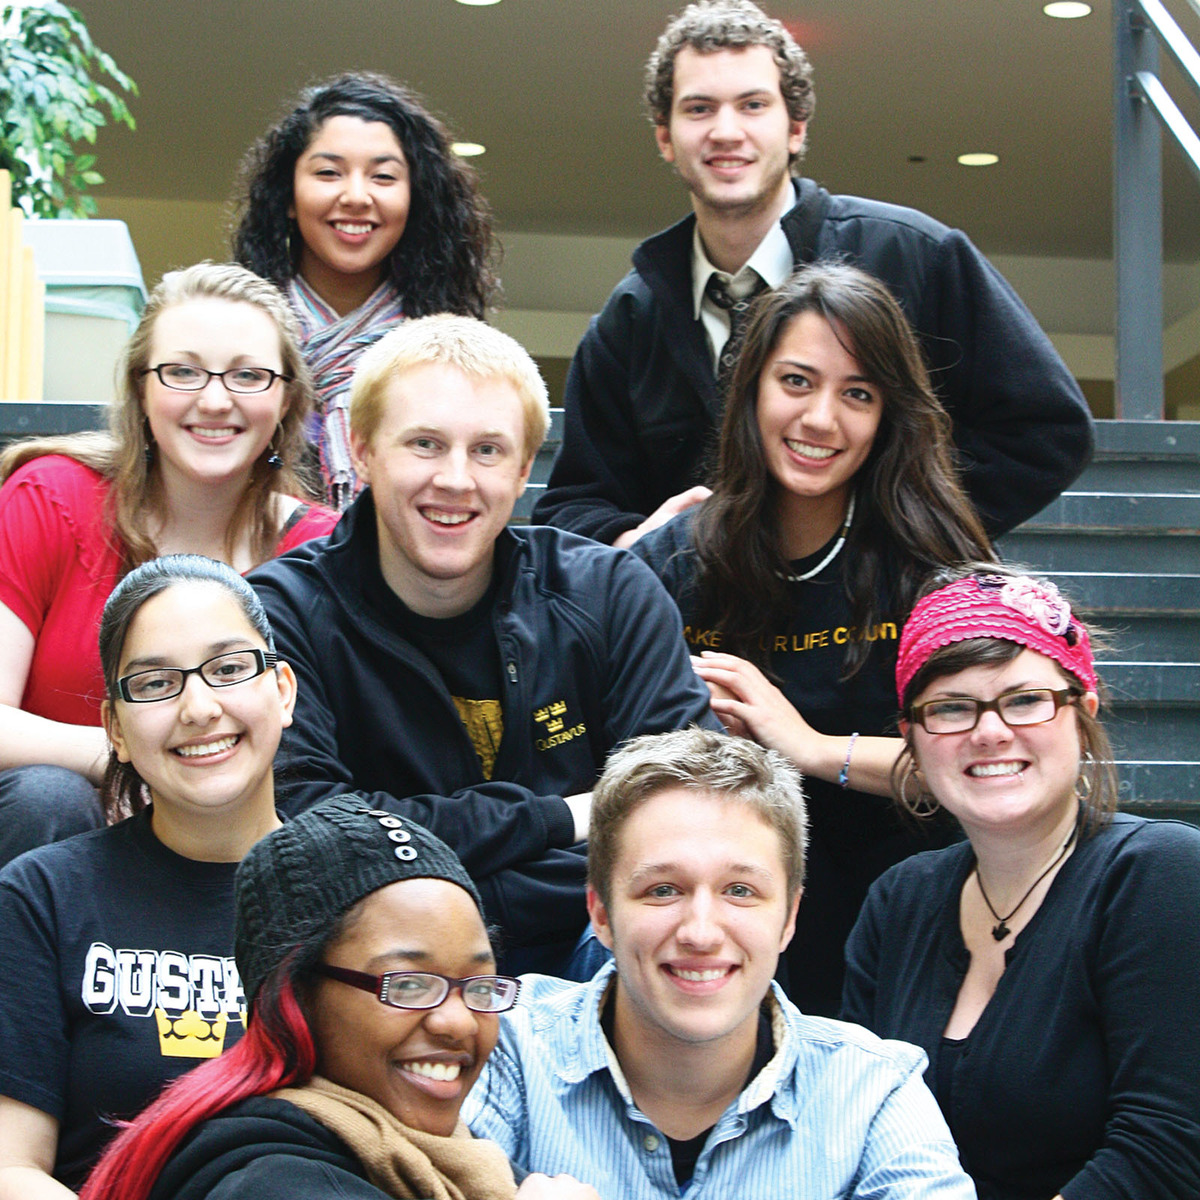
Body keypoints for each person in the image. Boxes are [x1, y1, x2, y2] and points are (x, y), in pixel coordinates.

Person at [250, 314, 719, 978]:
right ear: (362, 449)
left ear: (527, 466)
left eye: (488, 451)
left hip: (584, 948)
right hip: (371, 963)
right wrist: (561, 819)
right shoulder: (281, 612)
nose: (456, 480)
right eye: (425, 444)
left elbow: (682, 810)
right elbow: (310, 833)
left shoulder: (610, 592)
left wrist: (461, 878)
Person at [532, 0, 1093, 547]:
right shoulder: (630, 320)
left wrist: (886, 539)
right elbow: (574, 506)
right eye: (699, 108)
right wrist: (639, 543)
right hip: (700, 628)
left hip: (884, 624)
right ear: (665, 137)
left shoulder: (915, 255)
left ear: (796, 128)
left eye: (753, 105)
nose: (726, 132)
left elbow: (1045, 433)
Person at [632, 262, 994, 1015]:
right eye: (796, 381)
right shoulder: (671, 560)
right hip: (716, 927)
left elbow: (988, 764)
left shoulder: (934, 571)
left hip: (899, 916)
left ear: (888, 415)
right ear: (752, 390)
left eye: (857, 393)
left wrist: (809, 748)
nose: (821, 419)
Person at [464, 727, 976, 1199]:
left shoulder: (872, 1092)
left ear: (790, 917)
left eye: (740, 891)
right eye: (662, 890)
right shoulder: (502, 1043)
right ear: (600, 913)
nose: (701, 932)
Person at [841, 566, 1200, 1200]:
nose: (989, 730)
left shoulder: (1159, 874)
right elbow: (849, 1123)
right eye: (951, 708)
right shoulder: (898, 899)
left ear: (1083, 712)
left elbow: (1166, 1150)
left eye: (1025, 700)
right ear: (912, 740)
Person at [80, 796, 601, 1200]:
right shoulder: (273, 1184)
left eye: (479, 986)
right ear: (295, 995)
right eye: (409, 984)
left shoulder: (449, 1160)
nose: (457, 1022)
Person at [0, 262, 337, 867]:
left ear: (287, 399)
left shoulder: (320, 552)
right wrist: (126, 758)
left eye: (248, 375)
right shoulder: (50, 497)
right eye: (181, 372)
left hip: (237, 857)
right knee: (45, 795)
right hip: (60, 842)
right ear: (140, 389)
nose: (213, 400)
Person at [0, 555, 298, 1196]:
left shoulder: (358, 894)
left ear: (283, 692)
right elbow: (9, 1168)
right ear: (116, 729)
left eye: (227, 669)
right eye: (156, 683)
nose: (198, 707)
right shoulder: (42, 897)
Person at [234, 72, 496, 508]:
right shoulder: (236, 337)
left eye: (383, 177)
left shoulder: (451, 355)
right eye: (329, 172)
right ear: (287, 196)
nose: (356, 196)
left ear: (416, 199)